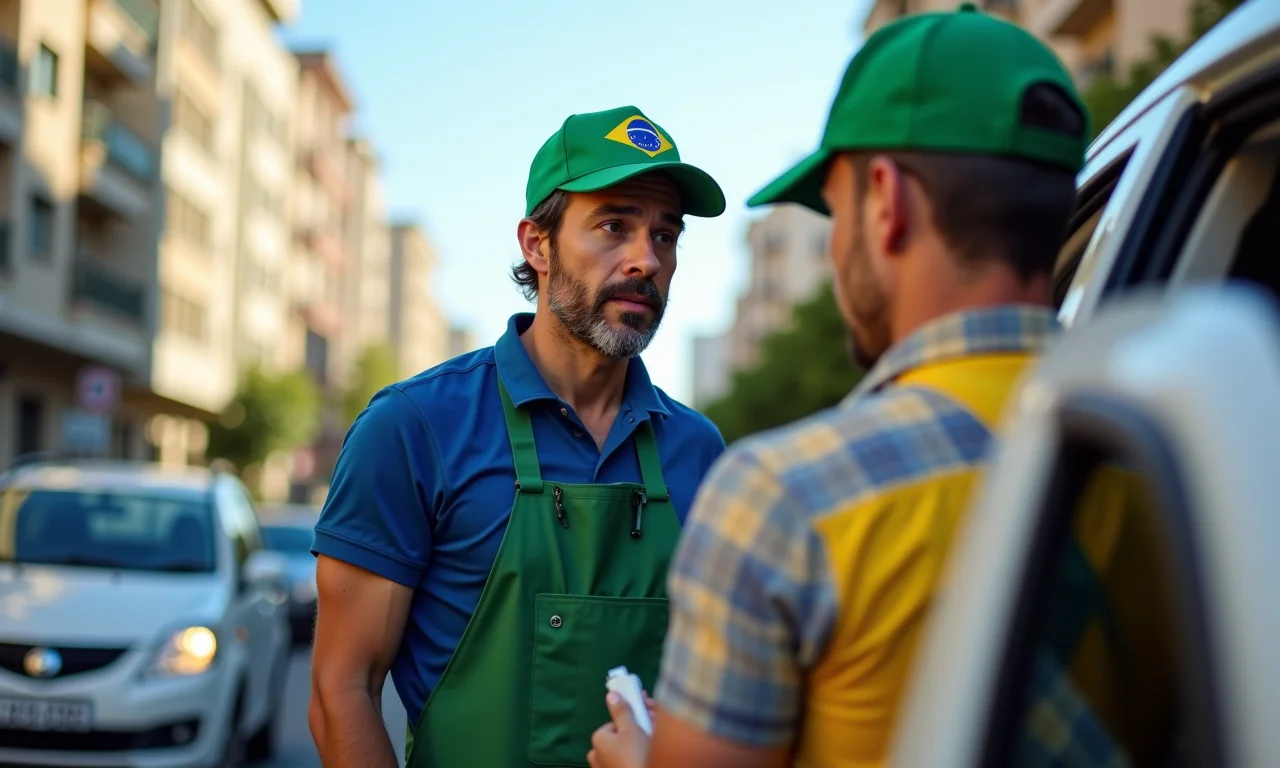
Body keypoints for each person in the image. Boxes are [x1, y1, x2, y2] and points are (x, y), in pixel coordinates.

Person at [586, 5, 1172, 768]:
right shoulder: (1189, 459)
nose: (834, 249)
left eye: (835, 211)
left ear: (888, 203)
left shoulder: (782, 497)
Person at [308, 105, 729, 768]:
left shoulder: (701, 452)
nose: (647, 260)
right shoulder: (412, 428)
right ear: (537, 244)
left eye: (665, 235)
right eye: (614, 227)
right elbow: (342, 689)